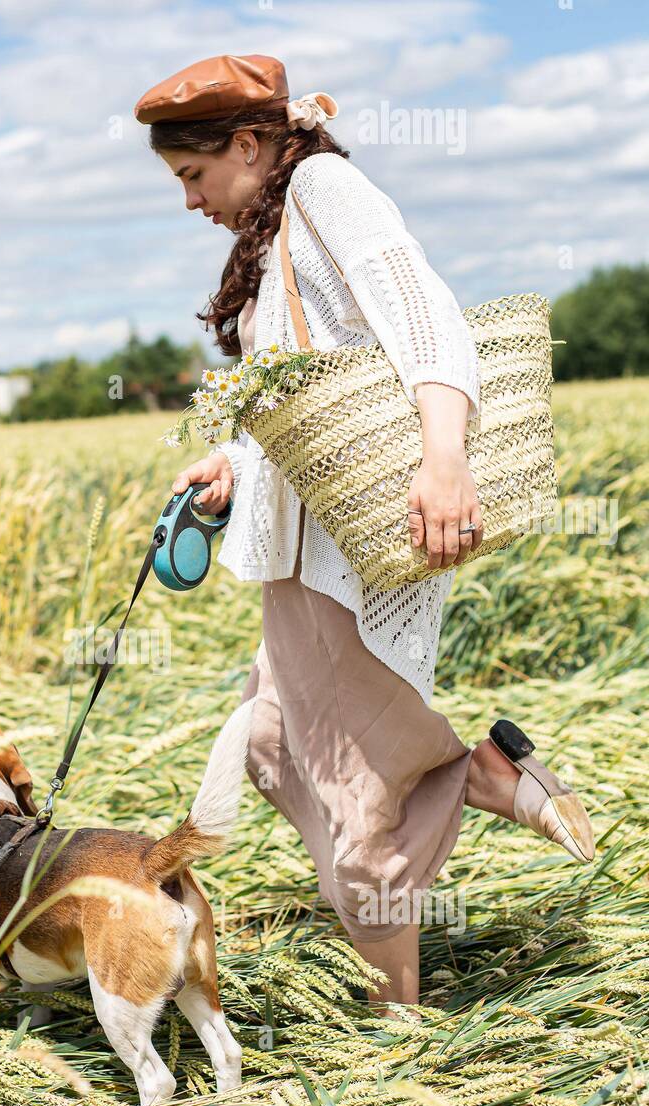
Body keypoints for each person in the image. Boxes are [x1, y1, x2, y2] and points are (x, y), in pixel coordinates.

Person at [134, 54, 595, 1011]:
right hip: (298, 562)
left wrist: (444, 460)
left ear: (251, 145)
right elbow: (318, 399)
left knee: (361, 824)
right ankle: (479, 773)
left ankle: (399, 1038)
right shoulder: (275, 231)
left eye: (193, 175)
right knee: (268, 746)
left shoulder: (326, 188)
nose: (189, 202)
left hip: (349, 561)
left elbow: (425, 318)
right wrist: (234, 463)